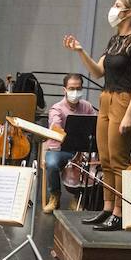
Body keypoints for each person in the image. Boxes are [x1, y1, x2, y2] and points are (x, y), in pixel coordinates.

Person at [64, 0, 131, 231]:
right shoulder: (116, 40)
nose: (113, 9)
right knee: (104, 159)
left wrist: (130, 114)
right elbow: (97, 72)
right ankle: (106, 208)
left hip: (124, 101)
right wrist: (80, 50)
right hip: (105, 99)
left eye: (117, 5)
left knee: (119, 161)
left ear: (130, 12)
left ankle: (120, 212)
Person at [42, 73, 97, 211]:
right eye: (72, 88)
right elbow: (55, 125)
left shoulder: (87, 107)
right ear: (64, 90)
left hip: (81, 149)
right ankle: (55, 196)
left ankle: (78, 198)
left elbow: (95, 125)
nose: (75, 92)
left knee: (90, 166)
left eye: (78, 88)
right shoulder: (57, 108)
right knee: (52, 164)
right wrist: (61, 132)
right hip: (60, 149)